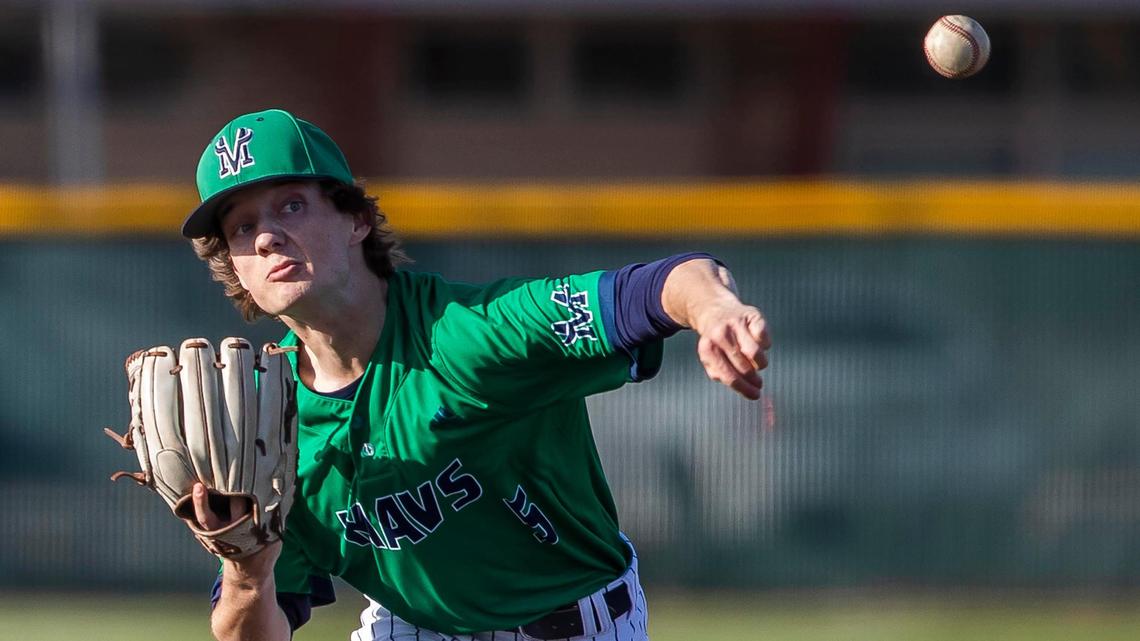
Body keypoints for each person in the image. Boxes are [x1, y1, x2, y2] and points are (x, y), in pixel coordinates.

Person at [182, 108, 771, 641]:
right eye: (241, 227)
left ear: (356, 219)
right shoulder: (266, 423)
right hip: (409, 627)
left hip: (566, 626)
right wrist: (246, 572)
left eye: (291, 205)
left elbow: (661, 283)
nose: (266, 236)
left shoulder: (470, 335)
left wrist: (714, 310)